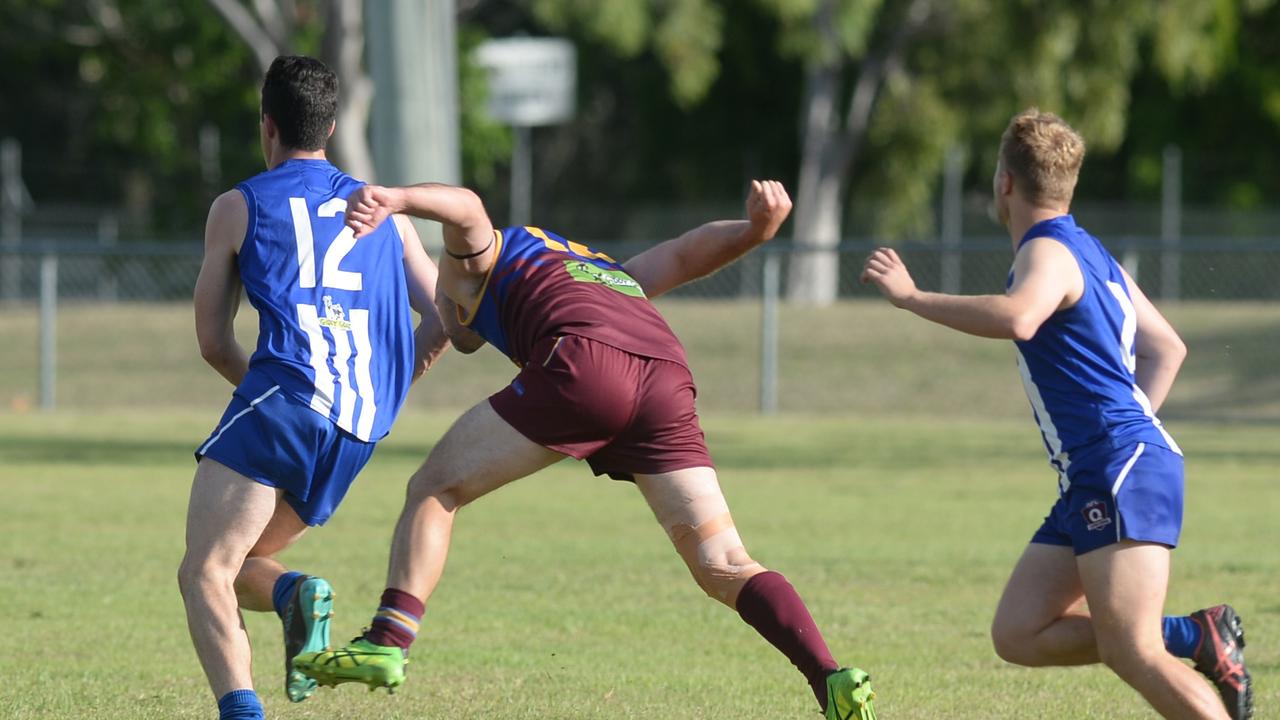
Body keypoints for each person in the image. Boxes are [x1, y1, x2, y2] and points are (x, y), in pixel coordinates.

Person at [294, 180, 879, 720]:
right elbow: (681, 255)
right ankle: (828, 676)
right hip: (666, 377)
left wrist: (392, 198)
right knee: (723, 562)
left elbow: (467, 206)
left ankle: (386, 642)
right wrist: (755, 232)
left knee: (434, 487)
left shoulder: (481, 263)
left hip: (587, 364)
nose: (449, 320)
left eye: (447, 305)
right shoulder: (599, 271)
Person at [860, 108, 1251, 720]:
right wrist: (1125, 428)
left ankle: (1182, 644)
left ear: (1005, 183)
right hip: (1101, 468)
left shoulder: (1047, 252)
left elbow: (1019, 316)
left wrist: (911, 298)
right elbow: (1167, 348)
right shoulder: (1089, 251)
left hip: (1115, 465)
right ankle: (1194, 636)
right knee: (1019, 632)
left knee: (1133, 650)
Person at [177, 55, 449, 720]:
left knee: (204, 571)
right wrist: (392, 377)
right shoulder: (389, 211)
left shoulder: (237, 206)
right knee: (242, 564)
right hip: (358, 429)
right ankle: (295, 594)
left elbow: (213, 341)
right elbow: (446, 315)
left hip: (285, 409)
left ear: (267, 126)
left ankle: (243, 713)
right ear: (330, 126)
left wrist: (272, 396)